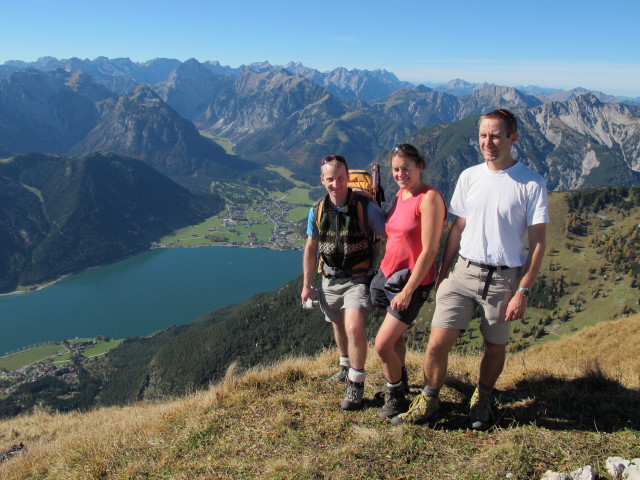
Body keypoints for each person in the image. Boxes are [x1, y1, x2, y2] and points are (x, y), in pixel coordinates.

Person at [392, 109, 550, 429]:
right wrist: (442, 272)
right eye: (482, 135)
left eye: (495, 135)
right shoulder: (469, 176)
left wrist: (523, 291)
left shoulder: (531, 183)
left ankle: (484, 396)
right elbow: (457, 227)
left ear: (513, 138)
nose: (487, 142)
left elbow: (538, 245)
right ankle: (430, 398)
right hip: (463, 273)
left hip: (504, 279)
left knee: (495, 346)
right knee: (437, 343)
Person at [301, 154, 386, 410]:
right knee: (337, 324)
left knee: (352, 328)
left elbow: (388, 236)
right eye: (330, 179)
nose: (335, 184)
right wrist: (307, 284)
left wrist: (385, 274)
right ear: (322, 180)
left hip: (358, 279)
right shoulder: (317, 211)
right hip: (328, 278)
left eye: (340, 178)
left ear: (347, 178)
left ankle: (356, 382)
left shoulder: (366, 207)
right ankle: (344, 365)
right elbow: (311, 246)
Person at [369, 144, 446, 420]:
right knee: (394, 338)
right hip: (389, 275)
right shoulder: (402, 195)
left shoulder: (429, 199)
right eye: (396, 169)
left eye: (406, 169)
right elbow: (394, 233)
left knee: (382, 344)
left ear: (420, 167)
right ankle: (398, 383)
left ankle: (395, 395)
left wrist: (408, 291)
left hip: (410, 282)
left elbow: (430, 250)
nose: (401, 174)